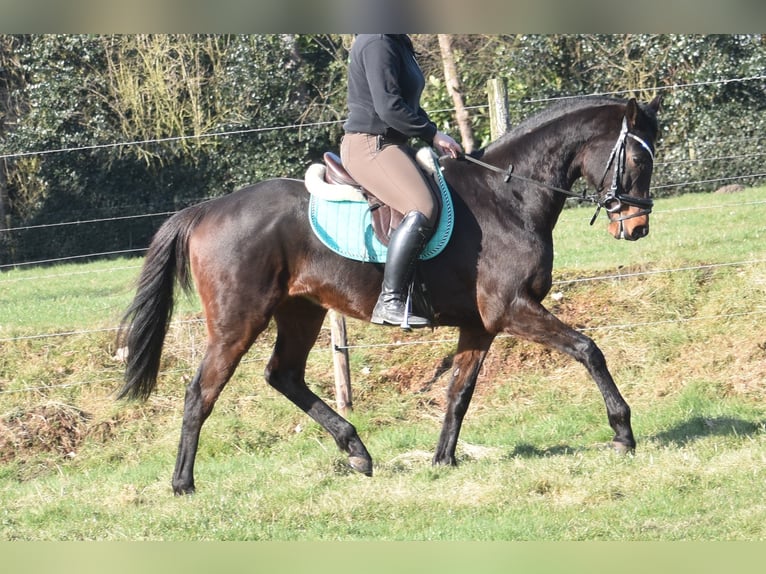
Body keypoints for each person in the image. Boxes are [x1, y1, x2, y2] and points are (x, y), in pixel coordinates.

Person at [340, 34, 462, 328]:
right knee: (422, 206)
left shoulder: (398, 42)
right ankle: (390, 300)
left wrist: (430, 131)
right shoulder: (377, 41)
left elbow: (406, 103)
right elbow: (389, 107)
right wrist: (431, 133)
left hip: (393, 144)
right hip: (371, 144)